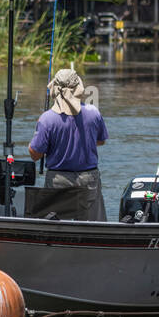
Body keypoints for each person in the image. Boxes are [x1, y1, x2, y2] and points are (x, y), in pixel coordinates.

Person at [28, 68, 108, 221]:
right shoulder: (93, 112)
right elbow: (100, 140)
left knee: (57, 225)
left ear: (56, 90)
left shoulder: (46, 119)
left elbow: (35, 155)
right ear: (78, 88)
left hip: (58, 180)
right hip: (88, 179)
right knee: (92, 227)